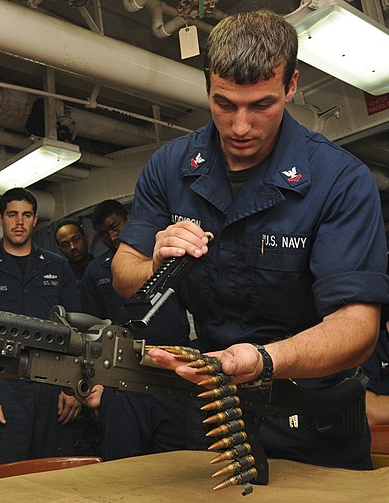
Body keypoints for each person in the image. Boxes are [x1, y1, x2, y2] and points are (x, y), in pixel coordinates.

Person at [112, 10, 389, 470]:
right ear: (207, 87)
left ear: (292, 85)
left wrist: (263, 359)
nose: (240, 127)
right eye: (225, 104)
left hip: (314, 419)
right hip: (216, 412)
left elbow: (358, 328)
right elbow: (125, 274)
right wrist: (157, 263)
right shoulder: (169, 168)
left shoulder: (339, 179)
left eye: (261, 105)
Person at [0, 187, 82, 470]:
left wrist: (73, 388)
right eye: (12, 214)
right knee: (0, 482)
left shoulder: (58, 267)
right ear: (0, 219)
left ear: (35, 220)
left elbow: (77, 334)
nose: (19, 222)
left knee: (55, 482)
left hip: (53, 392)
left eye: (26, 215)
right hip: (2, 393)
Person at [82, 199, 192, 460]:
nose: (111, 236)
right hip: (125, 378)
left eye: (115, 227)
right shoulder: (96, 271)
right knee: (124, 464)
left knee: (178, 463)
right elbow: (89, 328)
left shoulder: (166, 256)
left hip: (174, 372)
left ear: (129, 220)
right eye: (103, 233)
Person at [53, 220, 93, 294]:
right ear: (60, 250)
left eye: (76, 240)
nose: (72, 247)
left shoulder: (103, 268)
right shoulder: (61, 278)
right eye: (65, 245)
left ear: (86, 238)